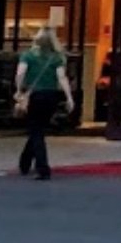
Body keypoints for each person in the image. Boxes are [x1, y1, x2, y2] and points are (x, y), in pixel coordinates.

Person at [14, 27, 76, 180]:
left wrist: (19, 90)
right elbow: (62, 78)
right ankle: (25, 162)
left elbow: (20, 73)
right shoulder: (56, 58)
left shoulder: (27, 55)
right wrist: (69, 97)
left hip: (34, 96)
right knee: (38, 129)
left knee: (36, 131)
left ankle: (43, 168)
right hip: (51, 96)